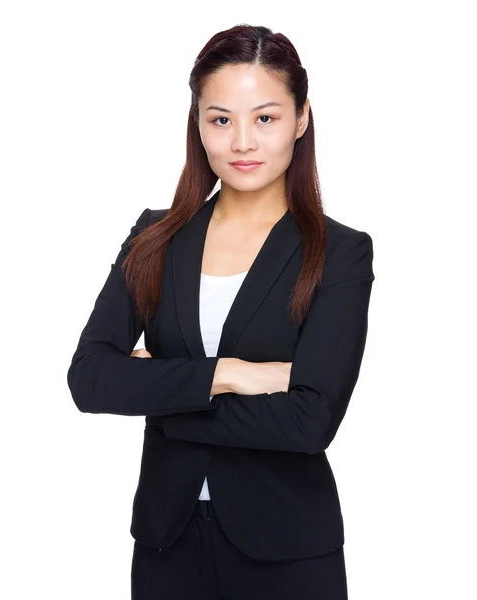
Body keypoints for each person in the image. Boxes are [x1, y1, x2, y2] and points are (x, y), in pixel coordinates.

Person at [67, 23, 375, 600]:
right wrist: (228, 374)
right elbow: (89, 379)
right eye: (220, 119)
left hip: (287, 551)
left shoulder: (340, 253)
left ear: (301, 118)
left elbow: (310, 423)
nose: (242, 143)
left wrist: (157, 395)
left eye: (265, 117)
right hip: (167, 546)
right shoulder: (154, 238)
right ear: (199, 124)